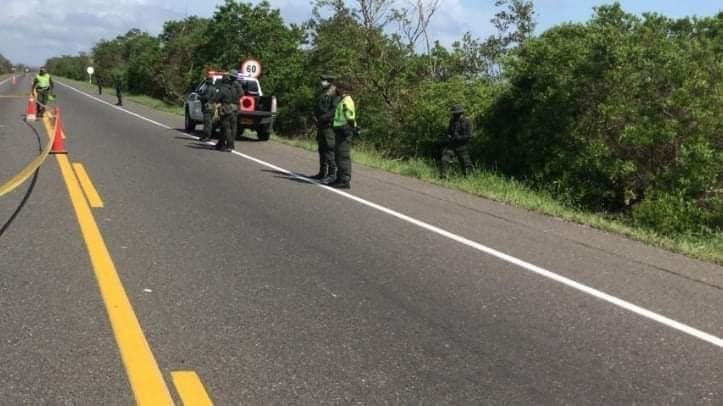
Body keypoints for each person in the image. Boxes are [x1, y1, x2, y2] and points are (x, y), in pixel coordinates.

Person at [324, 80, 356, 189]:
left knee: (343, 156)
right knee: (338, 156)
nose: (336, 89)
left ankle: (345, 180)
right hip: (339, 131)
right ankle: (339, 178)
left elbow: (350, 117)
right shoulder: (342, 100)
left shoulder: (347, 101)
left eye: (337, 87)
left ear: (342, 89)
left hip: (344, 131)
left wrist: (351, 128)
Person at [311, 72, 339, 181]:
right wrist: (314, 115)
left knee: (329, 150)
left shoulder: (335, 94)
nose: (322, 81)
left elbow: (334, 110)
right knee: (321, 150)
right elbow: (318, 106)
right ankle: (322, 172)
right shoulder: (322, 92)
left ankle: (332, 174)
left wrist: (323, 118)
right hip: (321, 125)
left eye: (324, 79)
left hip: (329, 126)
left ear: (330, 81)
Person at [440, 104, 473, 178]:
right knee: (445, 159)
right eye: (454, 114)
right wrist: (448, 136)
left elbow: (468, 136)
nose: (455, 115)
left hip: (462, 146)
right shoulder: (452, 121)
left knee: (466, 164)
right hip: (452, 145)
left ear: (461, 114)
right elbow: (448, 131)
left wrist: (458, 137)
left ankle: (468, 179)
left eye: (457, 114)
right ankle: (444, 176)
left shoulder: (467, 122)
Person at [213, 72, 241, 152]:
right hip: (234, 110)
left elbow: (216, 99)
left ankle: (229, 145)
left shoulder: (222, 89)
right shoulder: (234, 89)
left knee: (226, 128)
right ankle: (221, 144)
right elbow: (238, 97)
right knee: (230, 128)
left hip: (226, 110)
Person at [199, 76, 218, 142]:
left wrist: (200, 97)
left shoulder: (209, 88)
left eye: (207, 80)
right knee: (207, 122)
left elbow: (207, 97)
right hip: (212, 106)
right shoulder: (214, 88)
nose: (206, 82)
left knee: (207, 122)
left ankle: (207, 136)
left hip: (208, 106)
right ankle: (205, 135)